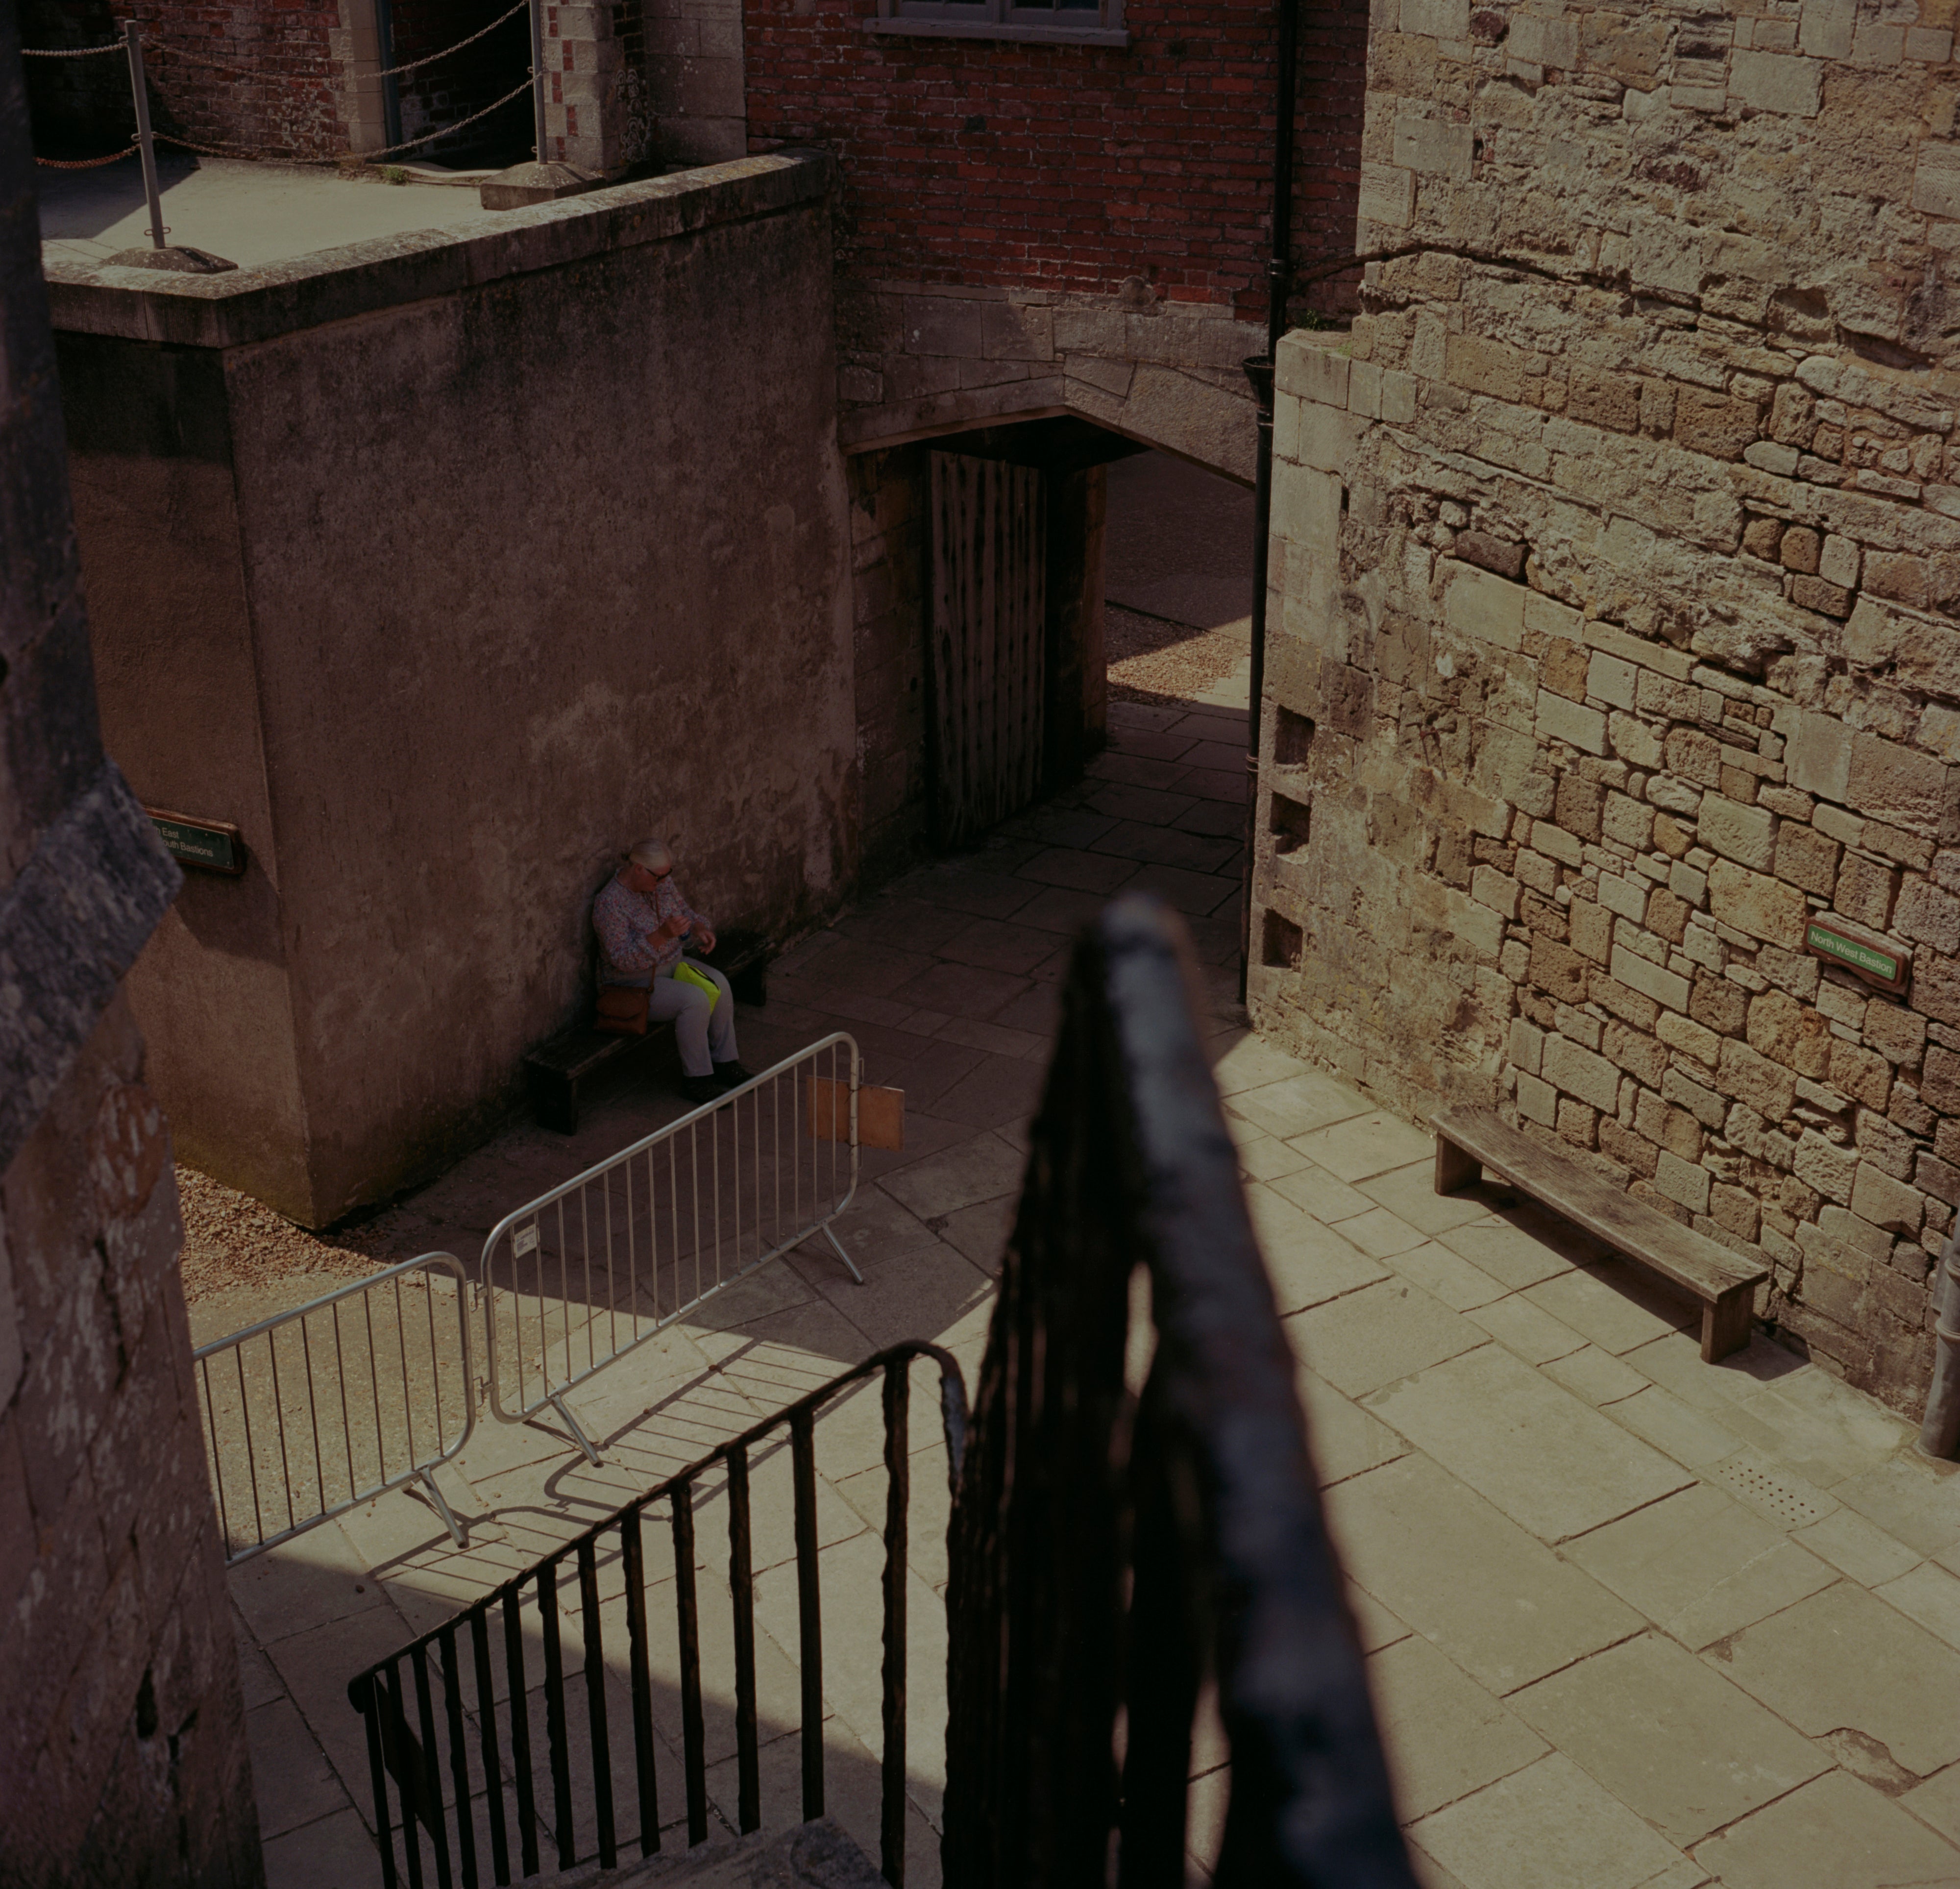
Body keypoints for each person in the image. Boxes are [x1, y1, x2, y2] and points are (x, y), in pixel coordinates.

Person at [592, 838, 753, 1104]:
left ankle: (725, 1062)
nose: (664, 881)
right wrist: (660, 936)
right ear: (639, 869)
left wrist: (699, 928)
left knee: (720, 983)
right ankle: (697, 1079)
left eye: (668, 874)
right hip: (632, 983)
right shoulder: (609, 904)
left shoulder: (660, 883)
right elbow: (622, 959)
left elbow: (685, 914)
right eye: (659, 876)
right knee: (694, 1000)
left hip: (672, 965)